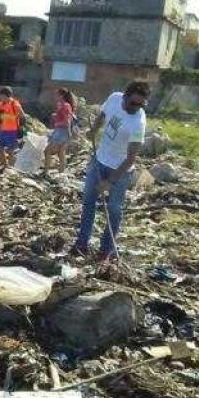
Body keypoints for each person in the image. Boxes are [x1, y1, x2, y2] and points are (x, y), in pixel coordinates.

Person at [70, 80, 150, 262]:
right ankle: (81, 244)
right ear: (125, 97)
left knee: (114, 211)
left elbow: (131, 158)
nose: (136, 107)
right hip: (99, 160)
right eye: (133, 103)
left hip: (121, 171)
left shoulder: (138, 123)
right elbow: (103, 114)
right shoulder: (114, 98)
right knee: (88, 203)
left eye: (141, 104)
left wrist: (110, 181)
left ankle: (105, 251)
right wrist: (94, 130)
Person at [0, 86, 27, 169]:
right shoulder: (3, 103)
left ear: (4, 95)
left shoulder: (15, 104)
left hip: (13, 131)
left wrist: (9, 117)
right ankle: (6, 165)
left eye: (0, 95)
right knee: (0, 149)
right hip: (4, 130)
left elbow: (23, 115)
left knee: (10, 151)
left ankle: (13, 167)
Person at [43, 87, 76, 173]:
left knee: (47, 151)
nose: (55, 96)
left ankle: (45, 172)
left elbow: (67, 120)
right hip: (61, 131)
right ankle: (61, 173)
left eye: (57, 95)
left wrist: (58, 124)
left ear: (61, 96)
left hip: (62, 131)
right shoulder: (62, 105)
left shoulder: (66, 105)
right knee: (61, 153)